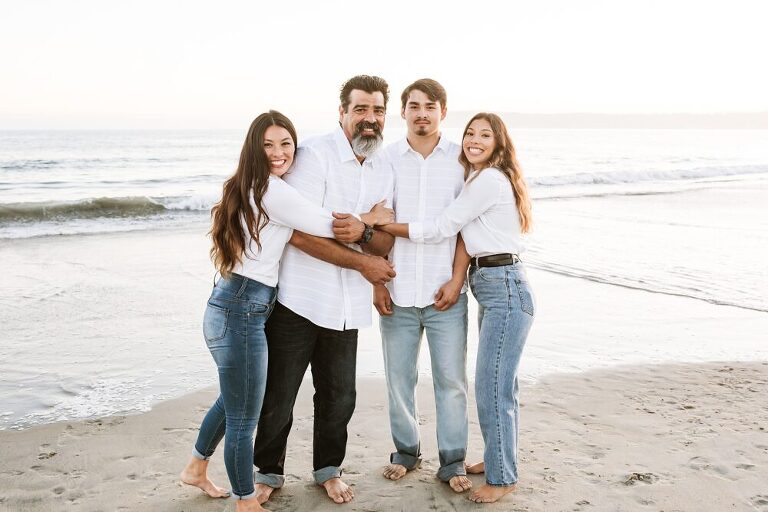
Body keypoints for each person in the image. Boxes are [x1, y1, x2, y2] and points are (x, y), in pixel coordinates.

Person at [178, 110, 392, 512]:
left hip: (239, 303)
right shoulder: (270, 190)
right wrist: (371, 219)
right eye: (268, 145)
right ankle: (245, 502)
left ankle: (195, 467)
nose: (279, 154)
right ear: (254, 150)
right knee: (246, 416)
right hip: (240, 308)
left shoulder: (256, 185)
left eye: (286, 144)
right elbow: (322, 222)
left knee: (234, 401)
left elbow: (314, 222)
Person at [252, 75, 396, 505]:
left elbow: (386, 241)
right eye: (360, 110)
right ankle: (268, 473)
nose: (369, 119)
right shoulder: (313, 155)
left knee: (340, 396)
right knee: (279, 394)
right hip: (300, 296)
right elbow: (296, 232)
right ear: (342, 113)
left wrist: (366, 228)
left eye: (377, 111)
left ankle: (328, 470)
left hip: (348, 304)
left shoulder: (383, 166)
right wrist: (364, 257)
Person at [377, 112, 535, 504]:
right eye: (470, 133)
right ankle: (498, 458)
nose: (474, 140)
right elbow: (464, 232)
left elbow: (443, 228)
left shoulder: (488, 180)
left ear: (499, 143)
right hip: (490, 284)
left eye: (485, 135)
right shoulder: (477, 179)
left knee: (492, 387)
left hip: (505, 287)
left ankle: (503, 478)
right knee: (500, 385)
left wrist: (378, 224)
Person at [375, 79, 472, 493]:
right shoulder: (385, 159)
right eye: (413, 106)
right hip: (396, 290)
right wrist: (375, 279)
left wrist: (457, 278)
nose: (421, 113)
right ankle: (407, 452)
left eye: (430, 106)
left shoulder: (461, 160)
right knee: (399, 379)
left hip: (444, 293)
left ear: (443, 112)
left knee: (451, 381)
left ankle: (452, 462)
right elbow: (377, 225)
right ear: (403, 112)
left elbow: (468, 225)